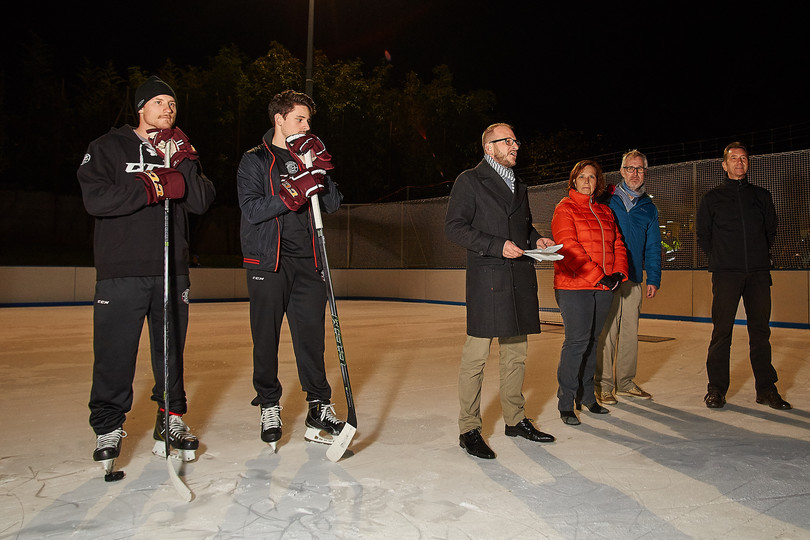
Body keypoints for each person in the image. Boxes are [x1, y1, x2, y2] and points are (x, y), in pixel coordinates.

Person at [77, 76, 216, 472]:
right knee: (114, 353)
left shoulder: (179, 151)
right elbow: (96, 199)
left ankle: (170, 420)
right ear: (140, 108)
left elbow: (202, 201)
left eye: (172, 104)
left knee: (169, 350)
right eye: (158, 102)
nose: (167, 109)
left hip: (171, 271)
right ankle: (108, 426)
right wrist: (153, 186)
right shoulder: (107, 147)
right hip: (121, 269)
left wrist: (185, 161)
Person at [237, 89, 346, 449]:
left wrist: (319, 171)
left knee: (311, 341)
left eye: (309, 121)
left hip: (307, 263)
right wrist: (291, 193)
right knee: (265, 339)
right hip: (268, 263)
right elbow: (252, 210)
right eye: (300, 118)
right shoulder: (254, 160)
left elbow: (331, 204)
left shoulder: (308, 154)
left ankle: (319, 406)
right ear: (279, 119)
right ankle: (269, 403)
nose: (306, 125)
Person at [445, 122, 556, 460]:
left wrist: (537, 240)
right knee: (476, 357)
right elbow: (454, 228)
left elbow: (523, 226)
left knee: (516, 355)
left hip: (519, 278)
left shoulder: (519, 185)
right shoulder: (469, 180)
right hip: (488, 280)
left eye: (515, 140)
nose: (515, 146)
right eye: (507, 141)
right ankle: (468, 428)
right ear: (488, 147)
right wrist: (496, 245)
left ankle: (514, 419)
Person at [696, 142, 790, 410]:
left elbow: (770, 230)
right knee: (721, 332)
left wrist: (759, 257)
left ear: (748, 164)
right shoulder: (712, 198)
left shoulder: (762, 196)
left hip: (758, 274)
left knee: (760, 332)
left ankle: (766, 389)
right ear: (724, 165)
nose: (739, 162)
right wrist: (723, 259)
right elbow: (704, 235)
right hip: (726, 274)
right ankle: (716, 390)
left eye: (743, 158)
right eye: (733, 158)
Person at [552, 160, 628, 425]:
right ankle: (566, 402)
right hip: (574, 287)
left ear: (598, 182)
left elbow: (618, 242)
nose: (587, 181)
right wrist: (600, 276)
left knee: (594, 341)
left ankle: (587, 397)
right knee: (576, 342)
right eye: (581, 177)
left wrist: (618, 272)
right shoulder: (565, 209)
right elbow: (569, 248)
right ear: (573, 181)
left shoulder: (606, 212)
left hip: (604, 286)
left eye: (592, 177)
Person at [595, 149, 662, 404]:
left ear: (645, 173)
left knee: (630, 332)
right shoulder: (605, 199)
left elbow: (653, 246)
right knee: (608, 332)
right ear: (621, 171)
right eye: (630, 168)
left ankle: (625, 382)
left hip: (634, 277)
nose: (635, 173)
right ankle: (603, 385)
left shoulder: (649, 208)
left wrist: (653, 278)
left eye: (640, 169)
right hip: (610, 277)